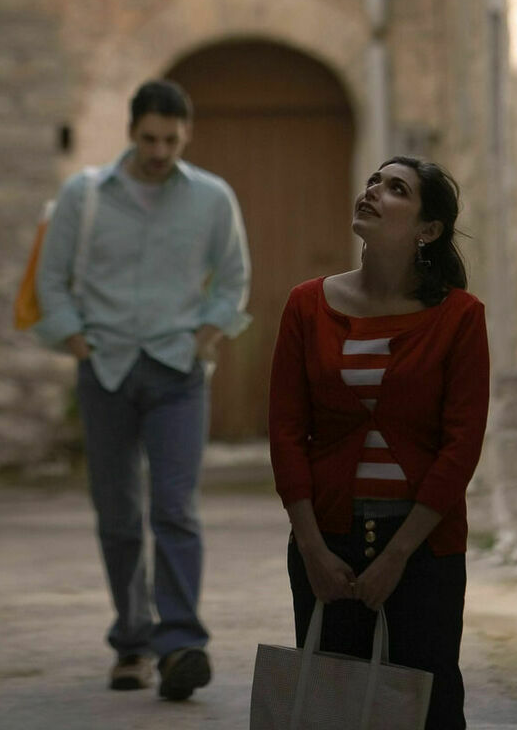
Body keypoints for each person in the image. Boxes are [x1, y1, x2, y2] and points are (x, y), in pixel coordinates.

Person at [34, 79, 251, 700]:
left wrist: (203, 341)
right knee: (119, 516)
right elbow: (52, 279)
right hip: (103, 371)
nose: (159, 150)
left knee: (175, 508)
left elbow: (232, 280)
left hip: (178, 373)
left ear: (187, 135)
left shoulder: (212, 198)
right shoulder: (86, 194)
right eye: (150, 138)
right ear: (132, 131)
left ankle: (182, 643)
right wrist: (77, 343)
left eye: (172, 139)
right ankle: (132, 643)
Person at [268, 157, 489, 730]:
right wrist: (312, 548)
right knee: (334, 707)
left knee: (428, 705)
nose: (373, 191)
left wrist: (397, 556)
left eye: (396, 189)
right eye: (373, 181)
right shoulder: (305, 305)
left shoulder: (461, 318)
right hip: (327, 543)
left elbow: (461, 445)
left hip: (424, 549)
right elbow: (287, 433)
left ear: (428, 229)